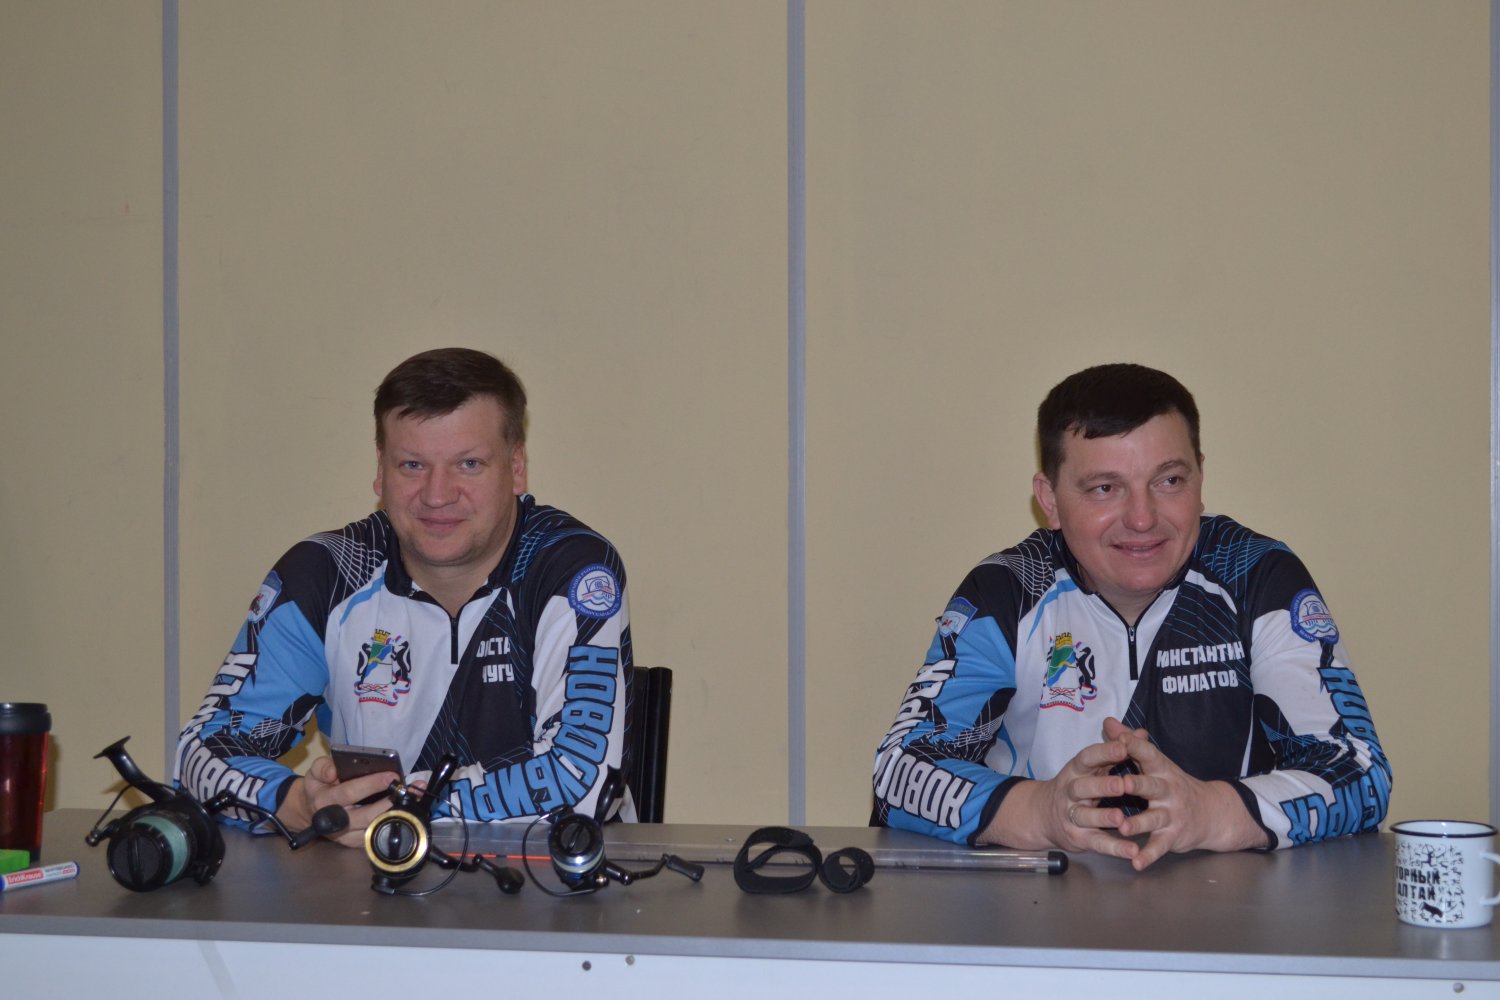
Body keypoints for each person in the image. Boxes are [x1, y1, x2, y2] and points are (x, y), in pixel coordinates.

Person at [872, 363, 1390, 871]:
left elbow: (1360, 771)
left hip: (1236, 909)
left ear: (1200, 477)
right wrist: (1041, 812)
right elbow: (898, 772)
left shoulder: (1256, 575)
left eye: (1169, 480)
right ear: (1050, 500)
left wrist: (1210, 812)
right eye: (1105, 488)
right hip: (1038, 910)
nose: (1142, 519)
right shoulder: (1007, 591)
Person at [175, 348, 632, 846]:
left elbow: (580, 781)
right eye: (412, 465)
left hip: (552, 880)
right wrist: (296, 803)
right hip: (370, 880)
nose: (437, 495)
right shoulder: (326, 573)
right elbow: (200, 753)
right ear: (381, 470)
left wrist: (404, 811)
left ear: (516, 467)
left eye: (469, 464)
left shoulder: (570, 570)